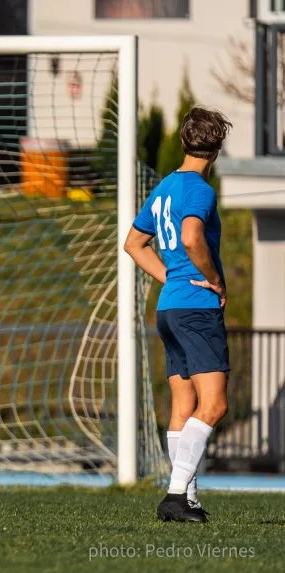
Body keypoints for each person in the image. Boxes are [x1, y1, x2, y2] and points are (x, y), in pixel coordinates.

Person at [123, 106, 233, 523]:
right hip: (196, 308)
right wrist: (214, 280)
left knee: (184, 405)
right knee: (214, 405)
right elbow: (190, 236)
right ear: (216, 149)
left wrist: (171, 276)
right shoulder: (200, 189)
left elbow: (134, 244)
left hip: (169, 307)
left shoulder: (165, 185)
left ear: (185, 142)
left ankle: (187, 499)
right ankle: (174, 495)